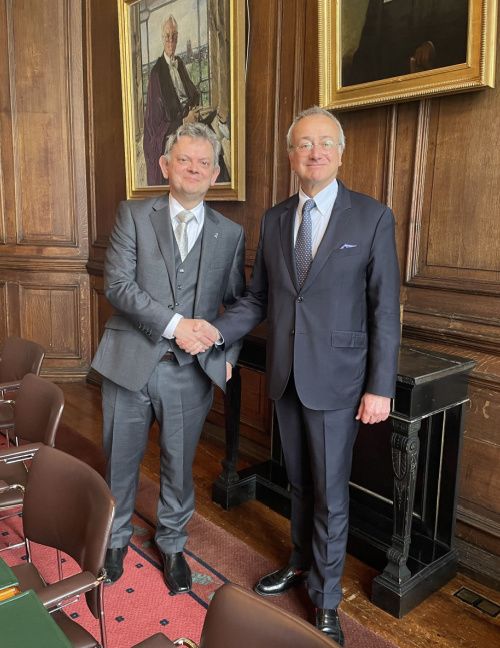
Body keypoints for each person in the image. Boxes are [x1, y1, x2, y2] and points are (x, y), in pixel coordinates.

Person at [179, 106, 400, 644]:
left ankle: (326, 597)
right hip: (286, 378)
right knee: (298, 482)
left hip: (341, 381)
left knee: (330, 492)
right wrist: (212, 331)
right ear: (291, 156)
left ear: (340, 153)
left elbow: (384, 310)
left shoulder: (371, 217)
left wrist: (380, 385)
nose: (315, 152)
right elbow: (259, 299)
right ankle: (300, 563)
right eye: (304, 144)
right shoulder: (276, 218)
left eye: (325, 143)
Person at [91, 122, 245, 595]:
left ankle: (173, 544)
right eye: (185, 160)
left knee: (180, 467)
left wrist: (228, 354)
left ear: (215, 173)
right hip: (130, 364)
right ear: (165, 165)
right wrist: (176, 325)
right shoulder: (134, 215)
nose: (194, 168)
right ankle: (113, 539)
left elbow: (239, 305)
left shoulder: (231, 233)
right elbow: (117, 286)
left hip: (191, 373)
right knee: (121, 459)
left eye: (204, 162)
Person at [346, 0, 468, 86]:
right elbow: (367, 43)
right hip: (383, 78)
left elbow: (458, 24)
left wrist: (432, 45)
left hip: (420, 76)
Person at [143, 15, 201, 185]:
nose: (171, 40)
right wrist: (183, 120)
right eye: (167, 36)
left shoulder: (180, 63)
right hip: (170, 135)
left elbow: (192, 92)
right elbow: (155, 122)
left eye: (174, 36)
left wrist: (193, 110)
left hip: (187, 125)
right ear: (162, 38)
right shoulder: (156, 73)